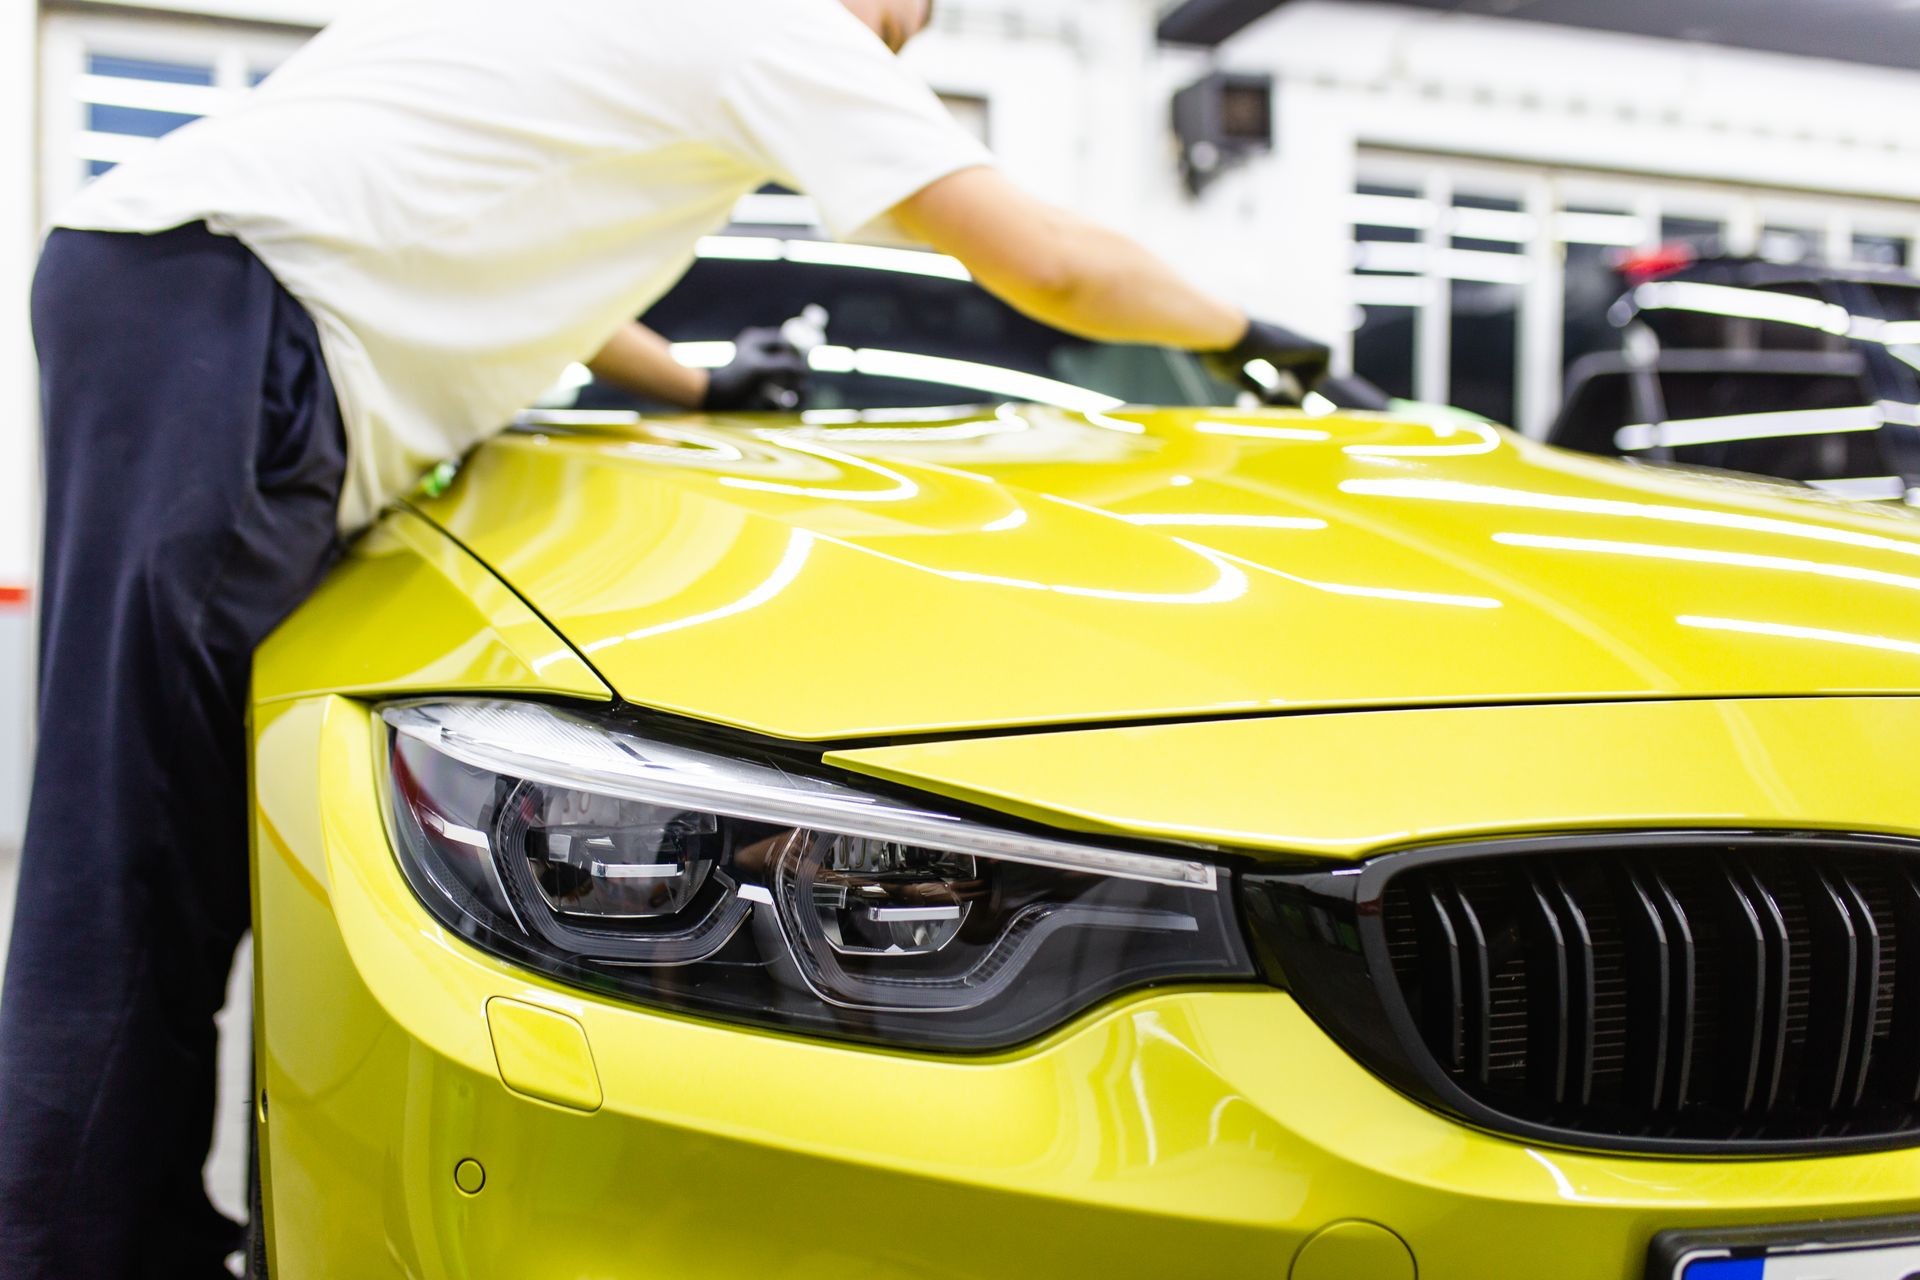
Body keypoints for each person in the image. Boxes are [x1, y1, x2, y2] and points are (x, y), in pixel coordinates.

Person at [0, 0, 1327, 1274]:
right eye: (900, 26)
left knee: (164, 822)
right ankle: (78, 1250)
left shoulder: (631, 30)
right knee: (138, 827)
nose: (891, 53)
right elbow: (1047, 262)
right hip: (226, 305)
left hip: (184, 285)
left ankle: (115, 1227)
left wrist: (698, 384)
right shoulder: (781, 19)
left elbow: (535, 260)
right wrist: (1252, 338)